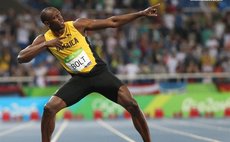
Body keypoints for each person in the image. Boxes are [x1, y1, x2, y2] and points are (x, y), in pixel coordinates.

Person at [17, 3, 160, 142]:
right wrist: (46, 44)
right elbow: (21, 57)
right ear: (47, 23)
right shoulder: (44, 39)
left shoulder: (77, 25)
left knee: (132, 105)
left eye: (60, 15)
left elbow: (113, 21)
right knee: (49, 109)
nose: (60, 18)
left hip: (99, 73)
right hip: (79, 80)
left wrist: (141, 13)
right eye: (55, 17)